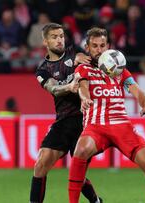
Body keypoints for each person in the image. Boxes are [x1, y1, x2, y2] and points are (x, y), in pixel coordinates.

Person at [68, 27, 145, 203]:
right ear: (87, 48)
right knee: (80, 150)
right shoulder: (83, 69)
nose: (99, 49)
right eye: (95, 46)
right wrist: (84, 99)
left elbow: (136, 90)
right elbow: (83, 88)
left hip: (122, 127)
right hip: (95, 127)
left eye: (102, 45)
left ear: (108, 47)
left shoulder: (119, 70)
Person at [29, 23, 102, 203]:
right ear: (45, 41)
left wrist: (87, 57)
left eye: (61, 36)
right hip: (62, 121)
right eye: (54, 37)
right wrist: (69, 87)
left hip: (84, 120)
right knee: (40, 165)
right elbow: (53, 89)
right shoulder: (43, 69)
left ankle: (96, 201)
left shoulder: (74, 53)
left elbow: (94, 60)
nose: (59, 39)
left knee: (77, 174)